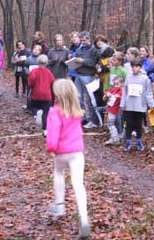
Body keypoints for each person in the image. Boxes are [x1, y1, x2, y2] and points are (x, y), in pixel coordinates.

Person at [46, 79, 90, 239]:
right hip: (77, 152)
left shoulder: (54, 111)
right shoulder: (76, 110)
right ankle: (84, 217)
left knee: (58, 174)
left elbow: (53, 132)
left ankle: (60, 205)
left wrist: (51, 148)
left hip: (61, 151)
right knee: (78, 183)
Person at [120, 58, 154, 152]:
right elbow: (125, 91)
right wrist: (122, 103)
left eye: (137, 66)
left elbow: (148, 93)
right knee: (129, 124)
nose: (135, 68)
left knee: (138, 125)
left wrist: (151, 105)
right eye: (133, 66)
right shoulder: (128, 77)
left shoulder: (145, 79)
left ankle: (139, 142)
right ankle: (128, 142)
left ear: (140, 67)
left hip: (140, 106)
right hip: (129, 105)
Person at [74, 31, 100, 129]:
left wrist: (83, 61)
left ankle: (93, 120)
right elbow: (76, 57)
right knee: (78, 98)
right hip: (78, 74)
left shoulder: (94, 50)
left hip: (88, 75)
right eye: (81, 40)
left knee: (89, 99)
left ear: (89, 39)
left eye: (85, 40)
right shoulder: (79, 49)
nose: (83, 42)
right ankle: (83, 118)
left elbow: (93, 62)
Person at [28, 54, 55, 134]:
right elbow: (52, 83)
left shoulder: (34, 71)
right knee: (46, 113)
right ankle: (45, 130)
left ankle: (36, 113)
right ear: (46, 63)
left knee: (32, 107)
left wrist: (32, 87)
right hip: (47, 96)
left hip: (36, 94)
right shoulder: (49, 72)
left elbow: (30, 82)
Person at [103, 76, 123, 145]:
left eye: (117, 84)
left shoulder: (121, 91)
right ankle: (115, 137)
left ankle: (115, 139)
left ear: (121, 84)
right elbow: (106, 95)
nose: (116, 86)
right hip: (111, 109)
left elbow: (119, 97)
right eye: (114, 84)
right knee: (112, 124)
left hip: (116, 110)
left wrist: (115, 96)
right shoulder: (113, 89)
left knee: (111, 124)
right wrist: (106, 95)